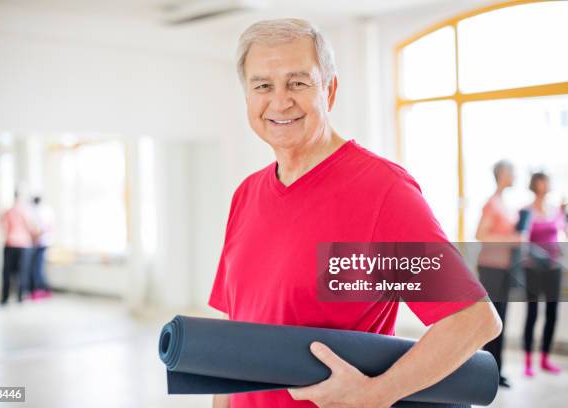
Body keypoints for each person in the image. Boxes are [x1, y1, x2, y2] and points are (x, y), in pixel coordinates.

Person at [210, 19, 501, 408]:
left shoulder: (382, 191)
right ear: (247, 96)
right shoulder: (246, 194)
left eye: (298, 83)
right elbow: (237, 335)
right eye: (263, 85)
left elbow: (473, 321)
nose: (279, 101)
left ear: (329, 90)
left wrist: (378, 393)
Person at [475, 160, 523, 388]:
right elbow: (480, 234)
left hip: (505, 269)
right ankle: (488, 370)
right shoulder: (492, 203)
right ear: (502, 174)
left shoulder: (506, 203)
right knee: (493, 321)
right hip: (491, 268)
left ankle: (497, 370)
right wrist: (512, 239)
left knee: (502, 319)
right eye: (512, 171)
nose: (514, 175)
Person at [522, 172, 567, 377]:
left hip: (554, 269)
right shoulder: (526, 211)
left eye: (547, 181)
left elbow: (563, 232)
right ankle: (528, 362)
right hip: (533, 269)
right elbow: (522, 241)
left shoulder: (556, 210)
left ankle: (545, 359)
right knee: (532, 314)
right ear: (534, 185)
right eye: (541, 181)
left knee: (552, 313)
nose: (544, 185)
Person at [0, 191, 35, 304]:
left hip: (10, 243)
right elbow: (31, 228)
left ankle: (5, 297)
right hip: (24, 245)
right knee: (22, 271)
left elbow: (4, 227)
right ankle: (20, 296)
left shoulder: (8, 211)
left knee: (7, 272)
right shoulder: (26, 212)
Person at [29, 195, 53, 299]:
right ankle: (42, 289)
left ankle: (40, 290)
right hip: (42, 243)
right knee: (37, 268)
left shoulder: (39, 212)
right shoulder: (46, 211)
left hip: (40, 243)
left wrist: (36, 235)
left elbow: (43, 228)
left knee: (37, 269)